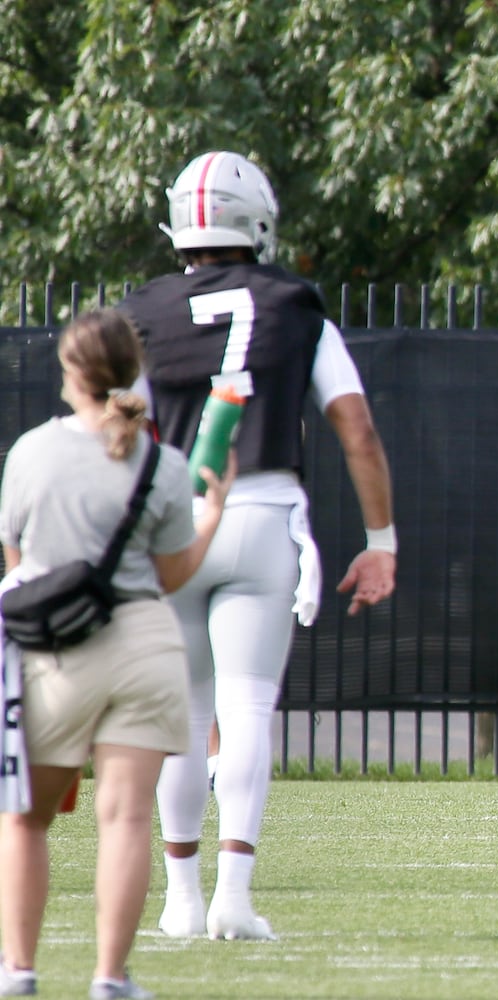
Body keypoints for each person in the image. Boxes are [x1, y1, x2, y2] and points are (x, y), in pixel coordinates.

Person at [118, 151, 398, 941]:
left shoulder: (142, 311)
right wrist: (381, 540)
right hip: (264, 514)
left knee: (184, 711)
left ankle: (179, 899)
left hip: (174, 524)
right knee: (246, 708)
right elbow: (357, 429)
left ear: (181, 223)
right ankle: (233, 900)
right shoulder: (297, 308)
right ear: (259, 220)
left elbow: (115, 428)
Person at [0, 309, 234, 999]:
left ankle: (17, 968)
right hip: (144, 646)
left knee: (25, 816)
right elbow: (168, 576)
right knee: (128, 816)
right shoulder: (164, 462)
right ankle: (109, 977)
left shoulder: (30, 454)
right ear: (135, 370)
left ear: (71, 372)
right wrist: (213, 517)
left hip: (55, 653)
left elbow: (19, 564)